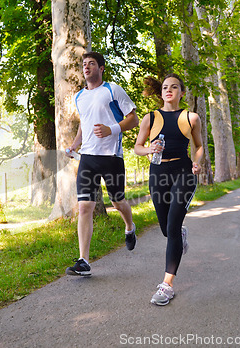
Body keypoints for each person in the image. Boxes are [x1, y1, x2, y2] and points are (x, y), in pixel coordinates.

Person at [65, 51, 139, 277]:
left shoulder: (112, 90)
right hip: (88, 157)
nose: (86, 67)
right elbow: (84, 125)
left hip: (111, 156)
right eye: (84, 64)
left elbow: (133, 118)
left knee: (118, 202)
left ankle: (130, 227)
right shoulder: (80, 96)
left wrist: (112, 129)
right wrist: (75, 145)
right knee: (85, 206)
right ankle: (84, 261)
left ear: (101, 68)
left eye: (92, 64)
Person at [134, 74, 203, 305]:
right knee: (165, 229)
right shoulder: (150, 118)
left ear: (182, 92)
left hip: (183, 173)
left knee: (172, 227)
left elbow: (199, 145)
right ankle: (180, 234)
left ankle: (167, 285)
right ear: (161, 92)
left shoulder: (191, 117)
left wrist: (197, 162)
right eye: (165, 87)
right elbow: (137, 147)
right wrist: (149, 149)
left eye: (174, 87)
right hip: (158, 174)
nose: (169, 90)